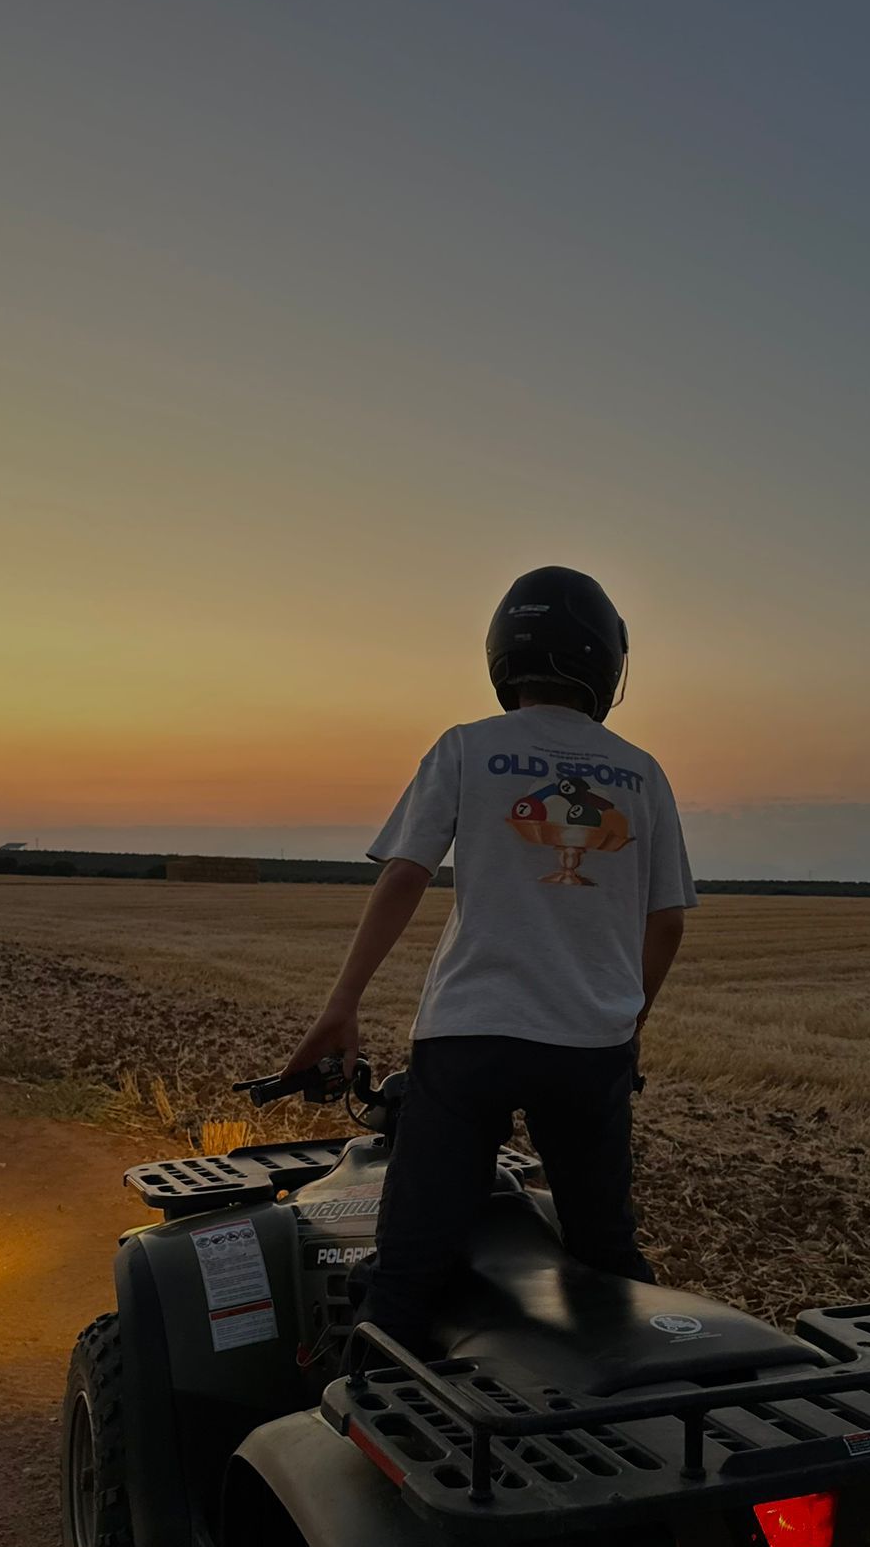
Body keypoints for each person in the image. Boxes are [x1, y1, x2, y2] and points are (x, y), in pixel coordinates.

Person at [280, 565, 696, 1356]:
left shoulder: (467, 747)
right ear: (608, 663)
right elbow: (667, 921)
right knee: (605, 1250)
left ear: (503, 654)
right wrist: (625, 1025)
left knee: (410, 1268)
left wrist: (342, 1005)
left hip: (470, 1038)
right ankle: (650, 1406)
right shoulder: (642, 771)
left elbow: (404, 875)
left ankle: (366, 1421)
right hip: (590, 1053)